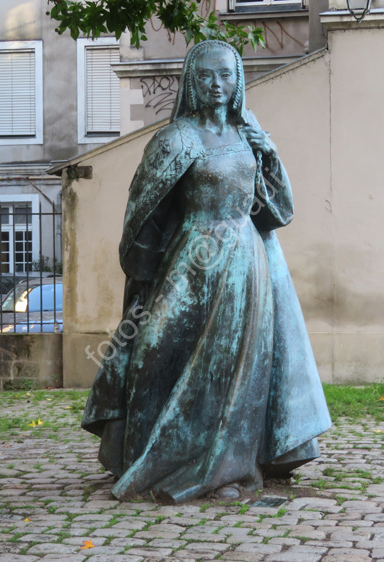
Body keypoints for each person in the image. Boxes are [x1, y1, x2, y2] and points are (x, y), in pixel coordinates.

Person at [82, 39, 331, 504]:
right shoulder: (175, 139)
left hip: (245, 264)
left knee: (238, 369)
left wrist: (270, 153)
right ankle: (142, 452)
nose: (216, 84)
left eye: (225, 75)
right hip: (190, 263)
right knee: (153, 354)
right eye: (205, 76)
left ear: (237, 82)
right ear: (191, 83)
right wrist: (146, 271)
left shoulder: (247, 135)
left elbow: (277, 211)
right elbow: (143, 211)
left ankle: (226, 466)